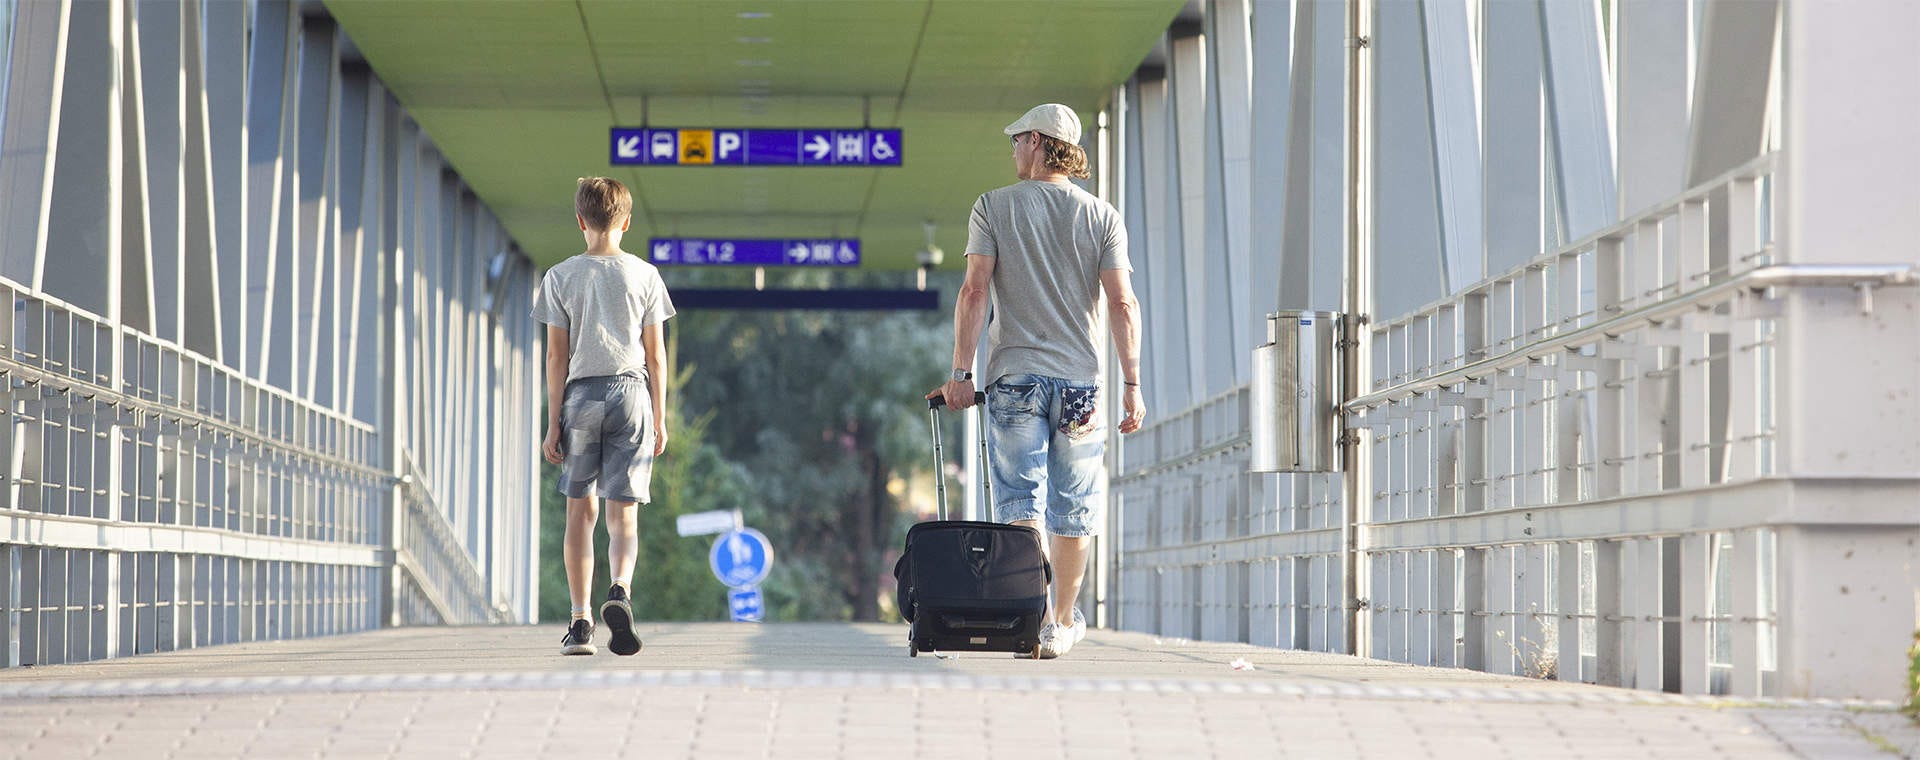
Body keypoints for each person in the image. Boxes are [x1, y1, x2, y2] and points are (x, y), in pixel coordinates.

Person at [929, 103, 1146, 659]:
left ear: (1035, 143)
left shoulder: (993, 207)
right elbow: (1122, 302)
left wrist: (960, 373)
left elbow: (974, 292)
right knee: (1074, 506)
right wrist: (1132, 383)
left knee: (1020, 500)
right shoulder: (1102, 215)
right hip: (1081, 384)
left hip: (1014, 380)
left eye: (1015, 141)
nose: (1012, 152)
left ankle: (1031, 609)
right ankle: (1063, 622)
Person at [531, 177, 676, 656]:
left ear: (580, 222)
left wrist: (553, 422)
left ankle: (580, 623)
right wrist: (660, 415)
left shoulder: (560, 276)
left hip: (582, 397)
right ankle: (620, 589)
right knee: (623, 512)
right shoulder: (645, 275)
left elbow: (556, 357)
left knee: (581, 510)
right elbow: (656, 356)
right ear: (627, 222)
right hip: (633, 393)